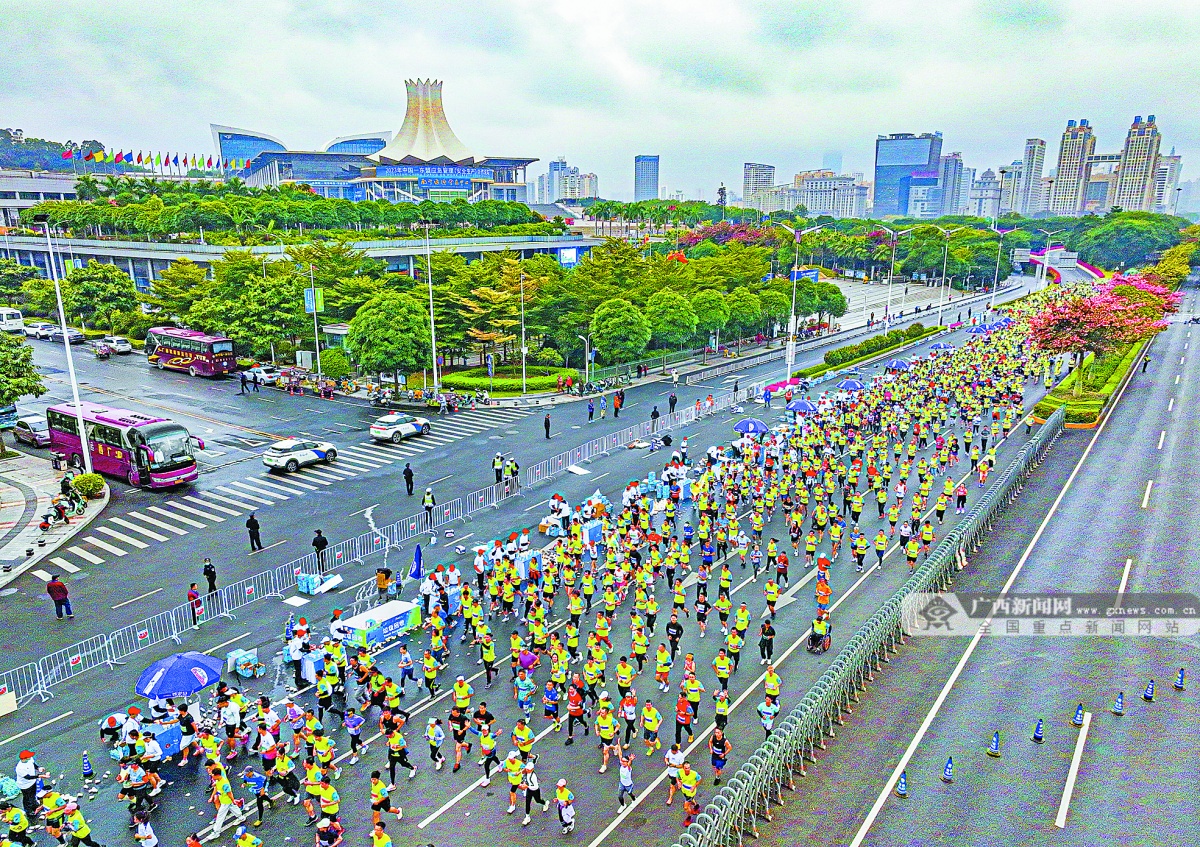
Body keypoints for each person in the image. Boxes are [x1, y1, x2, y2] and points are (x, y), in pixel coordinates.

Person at [520, 759, 550, 826]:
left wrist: (526, 786)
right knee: (527, 803)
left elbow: (535, 786)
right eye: (527, 768)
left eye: (529, 769)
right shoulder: (526, 772)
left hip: (535, 790)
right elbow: (523, 774)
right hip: (529, 790)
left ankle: (545, 803)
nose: (527, 770)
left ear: (532, 769)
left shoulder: (533, 776)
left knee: (538, 800)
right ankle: (527, 817)